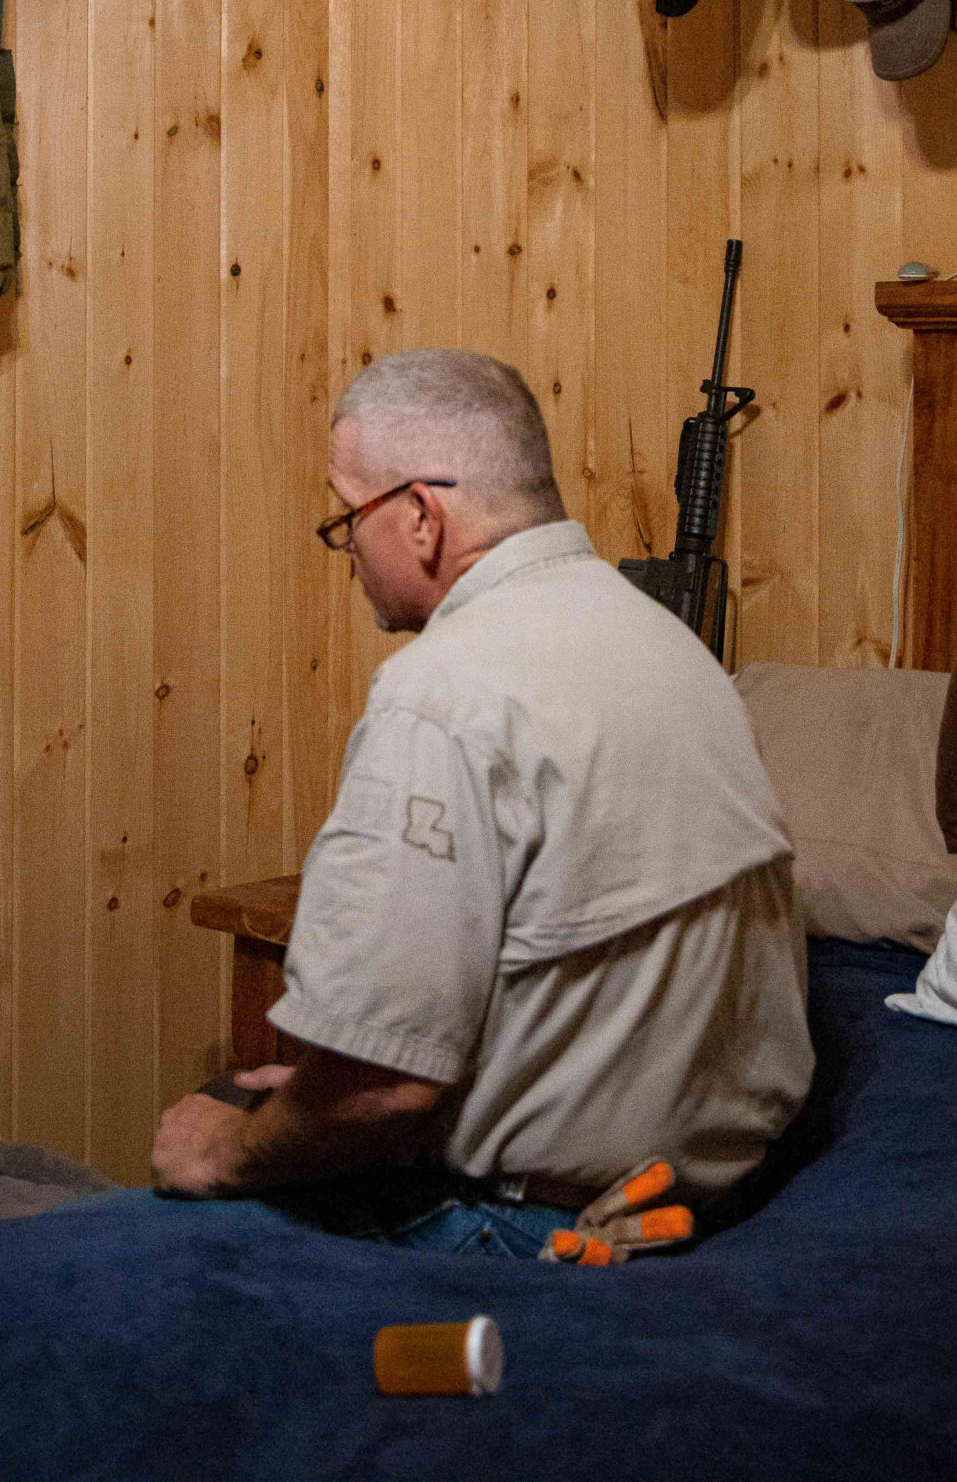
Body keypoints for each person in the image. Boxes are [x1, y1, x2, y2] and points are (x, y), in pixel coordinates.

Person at [152, 349, 812, 1254]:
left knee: (172, 1168)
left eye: (347, 519)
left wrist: (221, 1154)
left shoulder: (440, 695)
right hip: (705, 1200)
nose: (346, 553)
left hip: (523, 1224)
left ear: (420, 516)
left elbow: (383, 1091)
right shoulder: (662, 642)